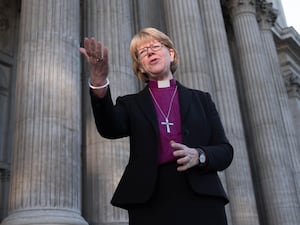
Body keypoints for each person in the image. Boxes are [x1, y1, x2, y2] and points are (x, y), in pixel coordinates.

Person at [80, 27, 234, 225]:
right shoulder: (131, 104)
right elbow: (109, 128)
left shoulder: (201, 100)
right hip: (151, 198)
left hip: (201, 195)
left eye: (154, 46)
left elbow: (225, 151)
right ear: (141, 67)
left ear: (170, 54)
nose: (150, 52)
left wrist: (199, 155)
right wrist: (99, 83)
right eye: (142, 52)